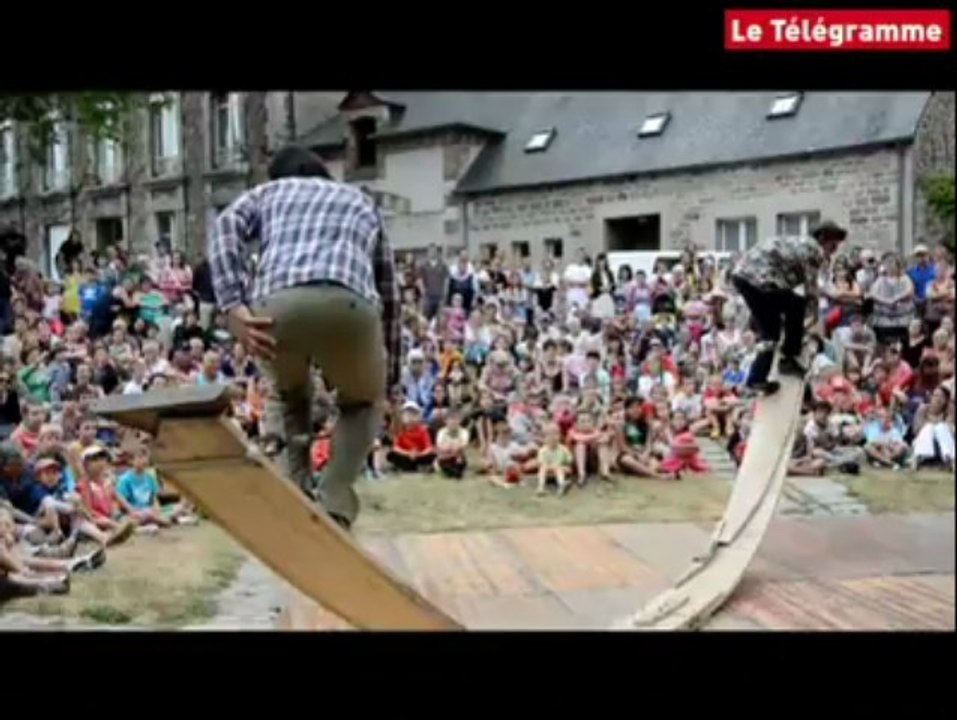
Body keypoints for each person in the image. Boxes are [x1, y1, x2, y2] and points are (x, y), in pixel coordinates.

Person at [209, 145, 400, 531]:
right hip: (351, 302)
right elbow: (390, 290)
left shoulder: (268, 193)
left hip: (277, 306)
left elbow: (224, 228)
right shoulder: (360, 200)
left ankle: (295, 490)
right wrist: (390, 379)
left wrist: (232, 304)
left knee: (288, 393)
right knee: (363, 402)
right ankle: (334, 502)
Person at [730, 220, 846, 393]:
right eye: (833, 245)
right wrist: (813, 316)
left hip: (745, 278)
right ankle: (789, 357)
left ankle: (756, 378)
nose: (834, 250)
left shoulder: (798, 243)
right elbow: (811, 289)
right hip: (760, 278)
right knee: (795, 304)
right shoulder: (813, 249)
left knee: (771, 333)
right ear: (823, 239)